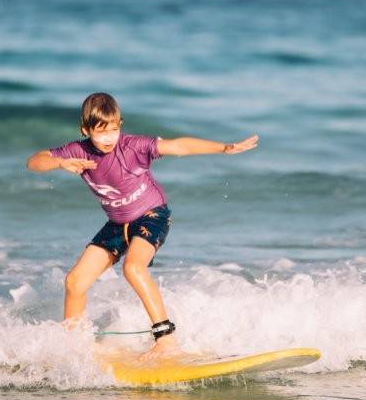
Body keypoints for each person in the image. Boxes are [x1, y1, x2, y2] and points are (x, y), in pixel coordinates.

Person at [26, 92, 257, 354]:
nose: (108, 139)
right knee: (75, 282)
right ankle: (73, 344)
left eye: (113, 130)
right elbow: (34, 162)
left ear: (120, 125)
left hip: (152, 215)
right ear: (85, 130)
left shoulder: (134, 146)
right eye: (101, 133)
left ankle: (166, 339)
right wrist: (60, 162)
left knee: (133, 268)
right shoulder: (77, 151)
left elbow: (178, 146)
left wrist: (224, 148)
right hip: (117, 224)